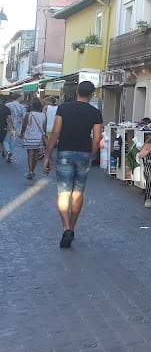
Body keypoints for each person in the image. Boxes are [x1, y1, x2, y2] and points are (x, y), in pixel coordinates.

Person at [43, 81, 103, 249]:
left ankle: (66, 227)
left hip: (65, 152)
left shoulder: (64, 108)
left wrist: (47, 156)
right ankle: (73, 227)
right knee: (78, 193)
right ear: (92, 94)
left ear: (77, 91)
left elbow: (55, 132)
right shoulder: (95, 113)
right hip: (83, 152)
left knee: (63, 192)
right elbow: (97, 138)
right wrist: (91, 154)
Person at [20, 97, 47, 180]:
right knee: (36, 154)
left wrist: (21, 133)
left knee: (30, 154)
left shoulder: (27, 114)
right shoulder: (43, 115)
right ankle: (33, 170)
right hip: (38, 138)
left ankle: (30, 171)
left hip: (29, 137)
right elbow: (44, 127)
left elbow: (24, 126)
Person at [6, 92, 26, 163]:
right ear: (19, 97)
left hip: (8, 124)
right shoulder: (22, 107)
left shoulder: (7, 105)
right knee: (13, 140)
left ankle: (8, 151)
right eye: (22, 96)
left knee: (6, 140)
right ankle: (10, 152)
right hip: (17, 124)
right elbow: (24, 118)